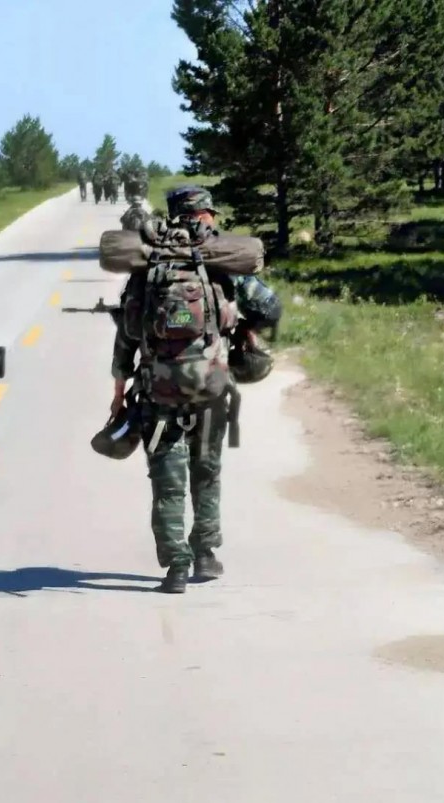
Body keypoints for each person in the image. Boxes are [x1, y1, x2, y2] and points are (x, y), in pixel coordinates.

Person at [109, 185, 281, 594]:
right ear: (206, 214)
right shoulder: (221, 261)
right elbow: (270, 306)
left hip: (158, 391)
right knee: (207, 472)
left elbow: (128, 333)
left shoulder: (149, 264)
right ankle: (205, 553)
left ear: (172, 215)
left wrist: (119, 389)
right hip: (210, 388)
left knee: (166, 481)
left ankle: (176, 567)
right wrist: (244, 327)